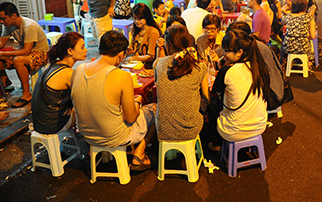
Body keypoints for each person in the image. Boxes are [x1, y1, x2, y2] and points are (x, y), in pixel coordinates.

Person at [71, 31, 157, 171]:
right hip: (114, 136)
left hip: (87, 136)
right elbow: (130, 117)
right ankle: (140, 154)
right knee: (154, 109)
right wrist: (138, 102)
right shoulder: (121, 76)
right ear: (120, 55)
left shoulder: (78, 70)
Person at [207, 29, 271, 149]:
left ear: (240, 52)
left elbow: (215, 91)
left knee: (213, 104)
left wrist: (221, 69)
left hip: (234, 130)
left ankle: (217, 144)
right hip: (259, 126)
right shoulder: (258, 67)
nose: (224, 54)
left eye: (227, 51)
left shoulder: (228, 71)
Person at [154, 25, 209, 141]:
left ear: (168, 45)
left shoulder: (159, 64)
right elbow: (206, 97)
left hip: (163, 129)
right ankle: (189, 157)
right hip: (191, 128)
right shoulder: (200, 67)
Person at [32, 32, 87, 134]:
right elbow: (85, 97)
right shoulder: (67, 73)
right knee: (91, 108)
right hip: (52, 126)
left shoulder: (53, 65)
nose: (86, 50)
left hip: (41, 124)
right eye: (82, 47)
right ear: (70, 51)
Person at [0, 2, 49, 108]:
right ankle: (5, 81)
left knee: (18, 60)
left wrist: (3, 53)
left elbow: (26, 51)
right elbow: (1, 43)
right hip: (25, 52)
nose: (1, 22)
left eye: (3, 19)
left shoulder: (29, 26)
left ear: (13, 16)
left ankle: (27, 94)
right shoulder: (8, 25)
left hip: (40, 54)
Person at [127, 3, 161, 69]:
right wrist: (130, 50)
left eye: (139, 19)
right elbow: (132, 46)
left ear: (146, 17)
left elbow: (151, 56)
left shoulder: (153, 32)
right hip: (136, 65)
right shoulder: (136, 29)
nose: (137, 21)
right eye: (134, 18)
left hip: (147, 68)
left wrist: (134, 58)